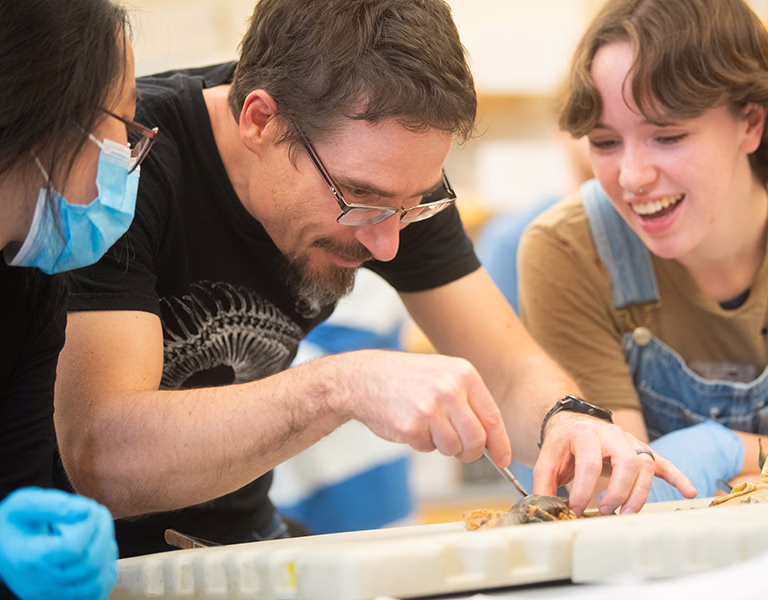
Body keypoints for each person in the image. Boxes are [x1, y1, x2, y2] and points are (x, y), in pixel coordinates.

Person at [53, 0, 696, 557]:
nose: (388, 243)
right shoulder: (124, 168)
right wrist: (343, 386)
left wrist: (568, 418)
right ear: (260, 120)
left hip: (243, 546)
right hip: (85, 562)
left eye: (413, 204)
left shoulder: (395, 185)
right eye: (361, 198)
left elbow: (507, 368)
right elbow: (104, 456)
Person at [519, 0, 768, 502]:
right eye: (606, 142)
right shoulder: (567, 254)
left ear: (751, 123)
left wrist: (722, 451)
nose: (632, 177)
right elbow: (615, 491)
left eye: (668, 135)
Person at [0, 0, 151, 597]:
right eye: (128, 127)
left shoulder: (31, 287)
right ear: (53, 111)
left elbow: (19, 490)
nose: (132, 159)